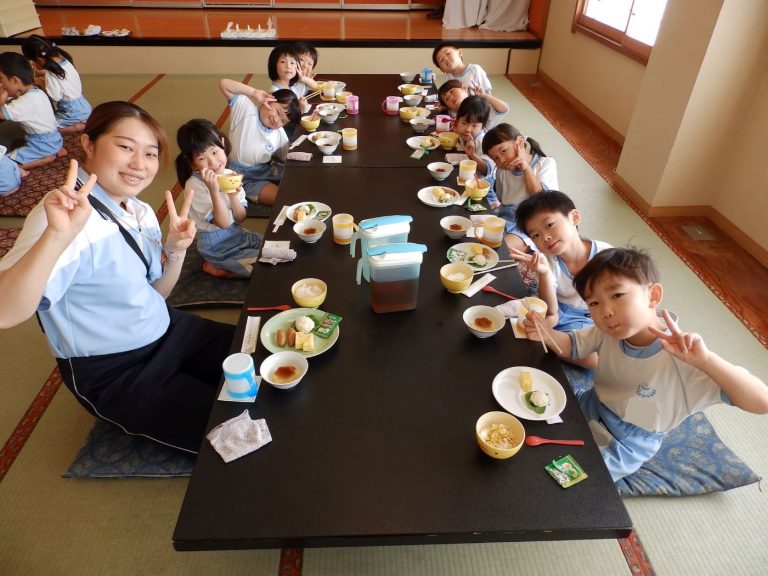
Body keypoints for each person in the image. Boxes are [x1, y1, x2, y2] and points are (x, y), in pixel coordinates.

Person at [0, 101, 236, 453]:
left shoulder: (137, 208)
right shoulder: (61, 214)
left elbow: (157, 294)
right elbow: (5, 311)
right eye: (125, 147)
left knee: (265, 356)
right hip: (119, 371)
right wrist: (56, 237)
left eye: (151, 153)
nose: (139, 165)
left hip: (169, 329)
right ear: (89, 145)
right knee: (239, 433)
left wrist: (175, 250)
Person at [527, 247, 768, 481]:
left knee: (571, 481)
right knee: (529, 425)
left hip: (626, 441)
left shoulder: (687, 359)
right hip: (592, 403)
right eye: (594, 303)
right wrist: (544, 333)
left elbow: (761, 402)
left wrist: (707, 361)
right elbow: (571, 345)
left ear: (652, 296)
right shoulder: (607, 332)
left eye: (617, 295)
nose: (606, 312)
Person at [510, 191, 612, 368]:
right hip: (560, 313)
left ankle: (553, 340)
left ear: (574, 217)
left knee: (595, 359)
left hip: (593, 316)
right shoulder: (546, 259)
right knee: (534, 326)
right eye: (535, 235)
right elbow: (551, 310)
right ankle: (553, 339)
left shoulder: (606, 256)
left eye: (549, 225)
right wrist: (544, 274)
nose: (545, 237)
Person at [175, 119, 262, 278]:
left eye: (215, 152)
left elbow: (241, 218)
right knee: (265, 266)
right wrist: (214, 191)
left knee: (272, 246)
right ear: (192, 164)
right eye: (202, 158)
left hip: (237, 234)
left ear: (222, 144)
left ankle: (231, 266)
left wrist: (233, 196)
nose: (213, 162)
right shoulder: (195, 186)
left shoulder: (228, 174)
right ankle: (222, 271)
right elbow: (224, 223)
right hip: (216, 246)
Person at [220, 78, 299, 207]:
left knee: (296, 183)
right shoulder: (245, 109)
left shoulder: (279, 134)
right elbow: (224, 84)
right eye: (277, 111)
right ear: (269, 99)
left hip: (265, 171)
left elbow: (287, 157)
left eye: (283, 121)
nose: (276, 120)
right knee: (282, 198)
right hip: (241, 179)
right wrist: (254, 92)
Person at [482, 123, 558, 254]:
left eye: (503, 151)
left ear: (520, 142)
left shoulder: (545, 163)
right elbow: (502, 198)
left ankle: (529, 248)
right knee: (475, 238)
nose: (502, 160)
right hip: (505, 216)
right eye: (495, 158)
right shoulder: (502, 170)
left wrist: (526, 169)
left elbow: (542, 202)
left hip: (532, 224)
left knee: (500, 251)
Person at [0, 51, 65, 170]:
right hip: (54, 139)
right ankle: (53, 151)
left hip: (42, 145)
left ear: (15, 81)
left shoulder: (25, 102)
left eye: (1, 80)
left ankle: (40, 161)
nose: (1, 85)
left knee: (6, 162)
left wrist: (2, 100)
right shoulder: (36, 91)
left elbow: (2, 114)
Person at [21, 35, 92, 133]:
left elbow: (55, 96)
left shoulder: (52, 74)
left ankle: (75, 128)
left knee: (44, 128)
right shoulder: (64, 61)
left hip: (72, 112)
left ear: (38, 58)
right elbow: (63, 79)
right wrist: (44, 74)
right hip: (84, 106)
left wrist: (41, 83)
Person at [437, 79, 508, 128]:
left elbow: (503, 108)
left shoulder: (480, 108)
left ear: (464, 88)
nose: (451, 97)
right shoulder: (453, 113)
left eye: (452, 91)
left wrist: (484, 96)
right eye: (447, 99)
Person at [454, 95, 494, 177]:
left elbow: (487, 170)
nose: (468, 129)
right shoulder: (463, 135)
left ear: (482, 126)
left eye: (474, 126)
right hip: (466, 176)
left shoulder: (482, 141)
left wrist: (472, 155)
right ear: (457, 121)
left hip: (482, 184)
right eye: (464, 123)